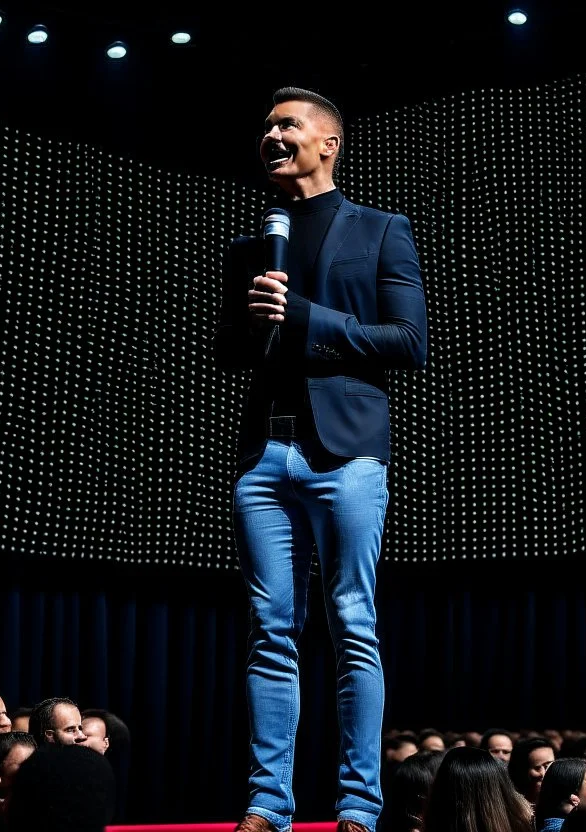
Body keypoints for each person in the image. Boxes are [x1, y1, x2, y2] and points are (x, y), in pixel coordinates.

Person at [215, 85, 428, 832]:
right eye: (266, 124)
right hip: (264, 456)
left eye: (287, 124)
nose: (271, 133)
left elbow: (410, 342)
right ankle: (268, 802)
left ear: (328, 143)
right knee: (271, 630)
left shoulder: (380, 228)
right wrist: (249, 324)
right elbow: (225, 354)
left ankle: (358, 807)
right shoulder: (249, 247)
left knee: (352, 624)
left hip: (348, 456)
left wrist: (307, 315)